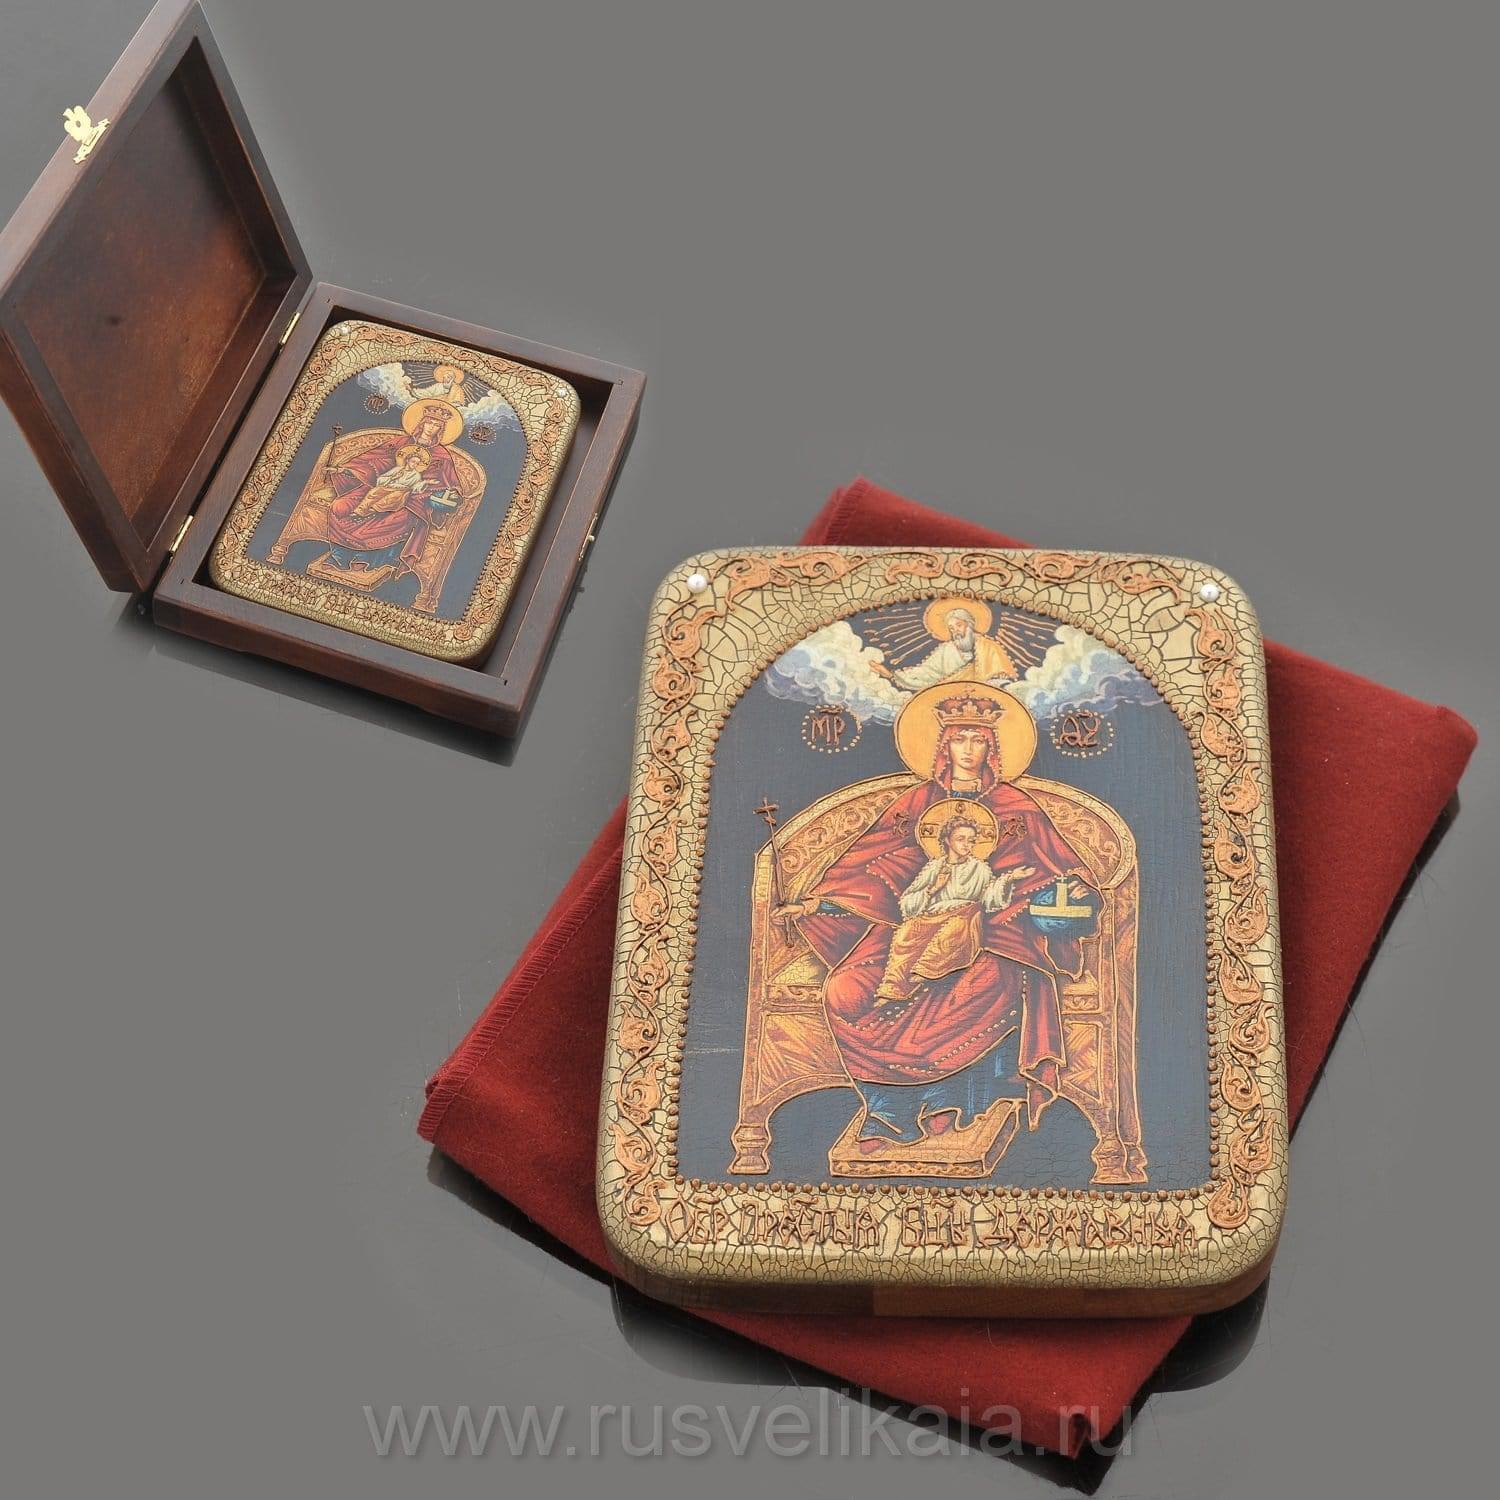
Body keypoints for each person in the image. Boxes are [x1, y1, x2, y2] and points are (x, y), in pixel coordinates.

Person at [776, 690, 1095, 1150]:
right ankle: (888, 1109)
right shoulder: (915, 804)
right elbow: (869, 868)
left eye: (978, 739)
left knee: (973, 986)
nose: (968, 749)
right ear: (944, 745)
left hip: (998, 933)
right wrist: (815, 906)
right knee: (845, 989)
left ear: (992, 747)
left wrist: (1071, 890)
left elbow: (1059, 867)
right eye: (960, 738)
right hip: (906, 929)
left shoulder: (1016, 808)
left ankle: (952, 1102)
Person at [873, 811, 1037, 1006]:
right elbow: (908, 902)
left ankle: (927, 969)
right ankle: (893, 988)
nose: (967, 844)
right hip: (932, 916)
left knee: (954, 927)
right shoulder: (935, 867)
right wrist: (933, 889)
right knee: (907, 931)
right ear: (947, 840)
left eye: (971, 840)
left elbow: (989, 900)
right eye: (961, 839)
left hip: (965, 916)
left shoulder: (979, 868)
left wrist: (1010, 878)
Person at [309, 403, 463, 577]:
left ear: (441, 429)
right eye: (429, 422)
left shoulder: (442, 455)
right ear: (422, 423)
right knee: (340, 505)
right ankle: (339, 556)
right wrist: (346, 470)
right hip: (377, 487)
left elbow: (451, 483)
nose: (431, 428)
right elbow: (374, 461)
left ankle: (366, 559)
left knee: (393, 519)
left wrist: (448, 492)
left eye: (436, 425)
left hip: (414, 500)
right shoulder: (399, 443)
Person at [870, 607, 1016, 691]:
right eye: (951, 628)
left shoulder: (989, 647)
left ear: (969, 624)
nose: (955, 631)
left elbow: (1002, 677)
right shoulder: (947, 650)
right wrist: (891, 675)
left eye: (959, 625)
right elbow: (927, 672)